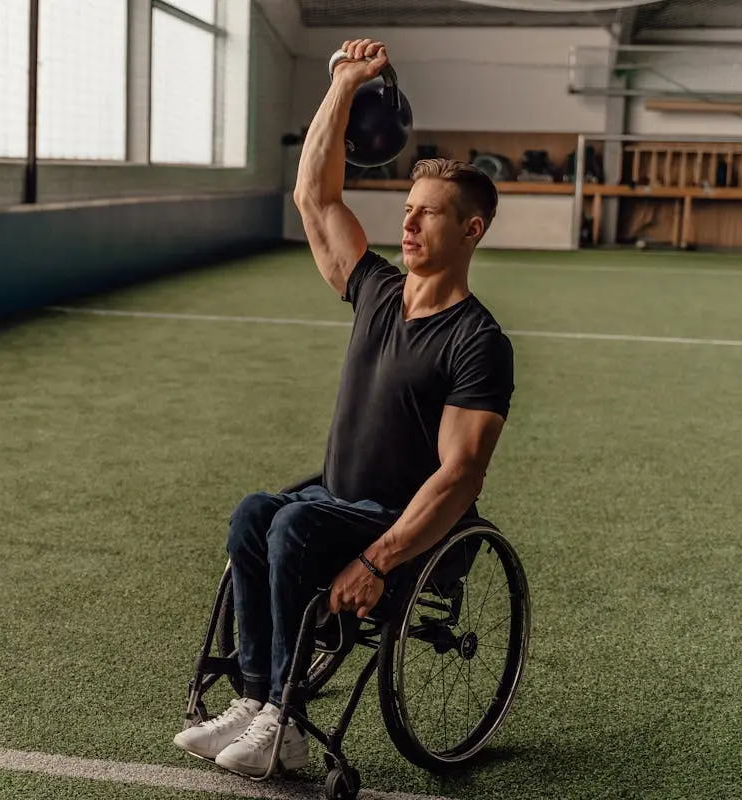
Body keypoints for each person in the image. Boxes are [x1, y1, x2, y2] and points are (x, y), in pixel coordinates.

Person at [172, 38, 515, 779]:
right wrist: (344, 81)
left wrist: (377, 557)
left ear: (472, 231)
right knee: (252, 513)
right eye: (409, 210)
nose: (411, 224)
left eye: (430, 215)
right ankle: (260, 701)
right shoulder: (377, 292)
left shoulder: (479, 343)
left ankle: (284, 724)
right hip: (336, 498)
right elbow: (315, 197)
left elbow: (459, 479)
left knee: (294, 522)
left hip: (397, 526)